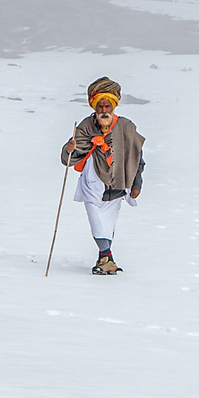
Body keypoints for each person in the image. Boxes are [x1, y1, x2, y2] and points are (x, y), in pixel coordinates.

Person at [60, 77, 144, 275]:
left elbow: (137, 156)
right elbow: (70, 156)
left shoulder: (126, 127)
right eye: (100, 105)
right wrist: (69, 148)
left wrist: (137, 183)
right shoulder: (86, 127)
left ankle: (106, 258)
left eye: (107, 105)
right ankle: (106, 257)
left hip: (118, 184)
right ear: (94, 106)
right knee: (97, 222)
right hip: (93, 184)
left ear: (113, 106)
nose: (104, 109)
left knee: (108, 224)